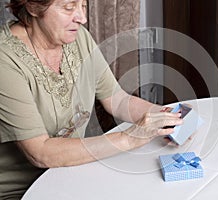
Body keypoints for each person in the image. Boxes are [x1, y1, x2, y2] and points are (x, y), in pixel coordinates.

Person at [0, 0, 183, 199]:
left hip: (72, 172)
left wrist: (167, 117)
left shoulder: (79, 39)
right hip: (22, 190)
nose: (82, 18)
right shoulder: (5, 59)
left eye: (83, 6)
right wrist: (131, 137)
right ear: (33, 7)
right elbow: (40, 152)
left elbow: (117, 100)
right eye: (69, 7)